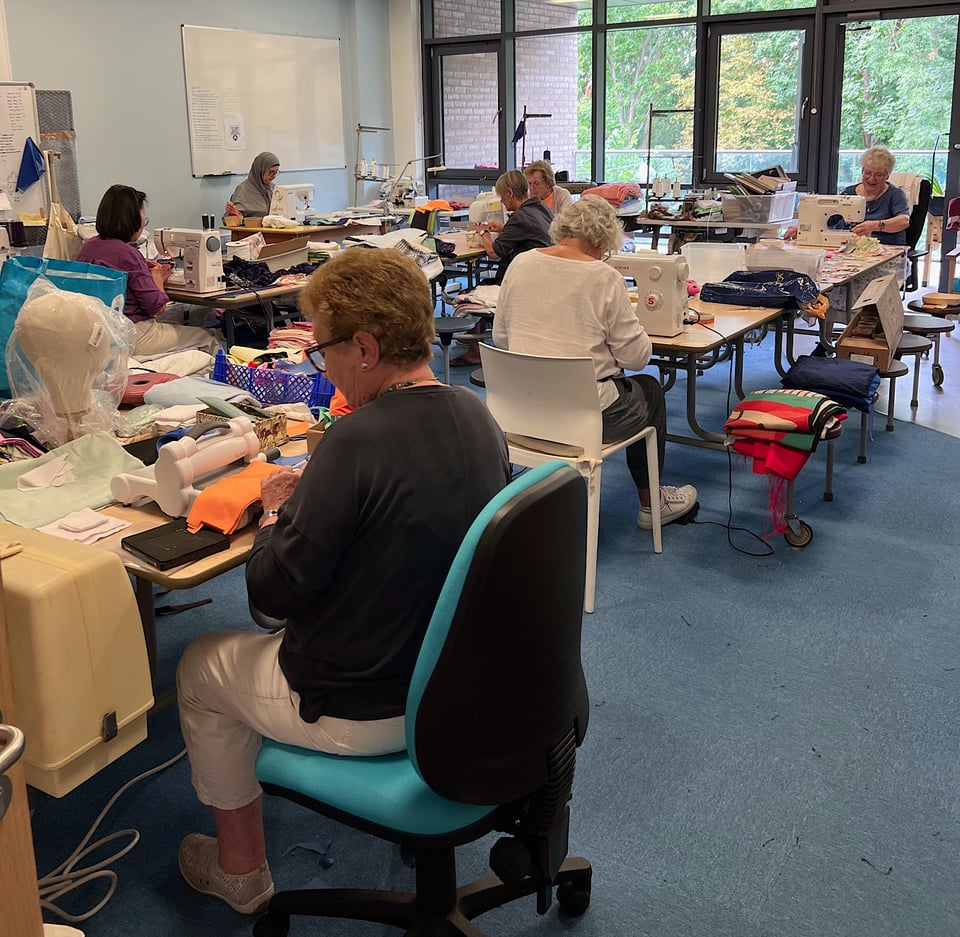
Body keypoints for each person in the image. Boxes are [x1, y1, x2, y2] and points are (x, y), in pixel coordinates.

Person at [175, 248, 511, 916]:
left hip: (369, 707)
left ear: (363, 346)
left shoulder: (354, 443)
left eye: (322, 348)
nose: (317, 363)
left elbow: (269, 602)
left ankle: (241, 871)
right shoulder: (476, 415)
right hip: (460, 687)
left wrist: (274, 513)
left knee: (198, 666)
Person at [495, 194, 698, 529]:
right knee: (649, 389)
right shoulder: (604, 277)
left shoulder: (521, 264)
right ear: (604, 239)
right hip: (579, 420)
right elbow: (637, 358)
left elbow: (503, 340)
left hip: (518, 414)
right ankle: (652, 505)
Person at [77, 185, 221, 359]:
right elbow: (157, 308)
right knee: (207, 337)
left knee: (177, 323)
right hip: (133, 334)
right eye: (144, 220)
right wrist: (156, 278)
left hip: (101, 332)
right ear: (132, 220)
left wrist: (142, 267)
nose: (143, 223)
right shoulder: (128, 254)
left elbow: (114, 268)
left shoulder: (89, 247)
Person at [451, 170, 553, 367]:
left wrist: (483, 232)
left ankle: (474, 351)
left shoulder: (520, 217)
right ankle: (473, 338)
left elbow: (494, 252)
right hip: (542, 278)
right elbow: (531, 231)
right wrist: (505, 229)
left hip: (523, 281)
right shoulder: (541, 209)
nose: (503, 202)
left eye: (502, 197)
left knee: (474, 290)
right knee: (485, 282)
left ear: (510, 193)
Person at [784, 145, 911, 245]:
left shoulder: (895, 195)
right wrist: (802, 228)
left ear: (887, 176)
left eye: (878, 175)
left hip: (885, 250)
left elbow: (903, 221)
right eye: (867, 173)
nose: (871, 179)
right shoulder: (849, 193)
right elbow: (829, 218)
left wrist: (874, 226)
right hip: (851, 248)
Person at [224, 151, 280, 221]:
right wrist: (233, 213)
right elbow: (233, 220)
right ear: (260, 170)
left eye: (276, 172)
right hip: (253, 231)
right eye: (271, 172)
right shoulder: (243, 190)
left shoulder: (273, 188)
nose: (274, 176)